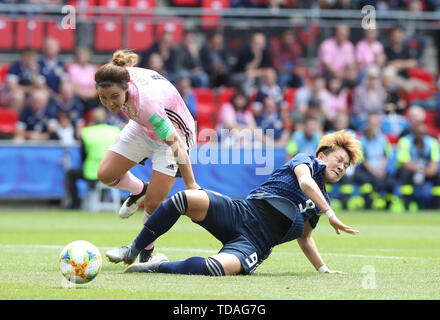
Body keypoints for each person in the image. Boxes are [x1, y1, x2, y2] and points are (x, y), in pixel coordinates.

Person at [106, 130, 362, 276]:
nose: (341, 167)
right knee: (182, 198)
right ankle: (133, 250)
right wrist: (330, 214)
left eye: (346, 165)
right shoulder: (305, 161)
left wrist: (323, 269)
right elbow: (306, 183)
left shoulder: (320, 201)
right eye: (338, 159)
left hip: (255, 244)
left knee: (215, 269)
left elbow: (305, 237)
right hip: (241, 212)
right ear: (321, 155)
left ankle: (155, 265)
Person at [94, 50, 199, 264]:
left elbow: (176, 144)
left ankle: (146, 253)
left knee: (152, 204)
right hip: (142, 127)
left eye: (114, 97)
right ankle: (139, 189)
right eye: (103, 97)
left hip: (174, 135)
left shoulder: (145, 104)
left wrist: (191, 184)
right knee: (105, 174)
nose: (110, 103)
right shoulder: (118, 75)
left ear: (126, 88)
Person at [64, 108, 120, 209]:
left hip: (91, 174)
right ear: (105, 119)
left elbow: (83, 155)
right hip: (112, 174)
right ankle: (104, 197)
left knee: (70, 174)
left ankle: (74, 204)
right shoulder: (115, 131)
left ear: (93, 119)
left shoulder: (86, 132)